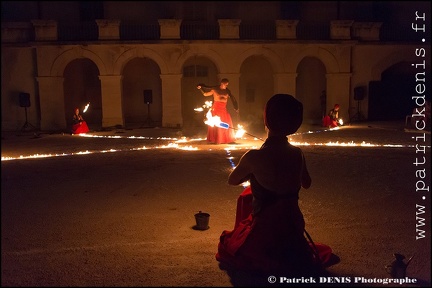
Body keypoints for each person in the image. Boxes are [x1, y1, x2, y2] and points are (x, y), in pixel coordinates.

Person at [216, 94, 332, 276]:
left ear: (267, 120)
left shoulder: (253, 156)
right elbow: (307, 183)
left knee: (228, 244)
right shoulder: (297, 153)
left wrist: (253, 169)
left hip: (266, 231)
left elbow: (232, 180)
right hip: (293, 224)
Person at [197, 78, 238, 144]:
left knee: (225, 123)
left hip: (223, 109)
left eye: (227, 85)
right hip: (216, 109)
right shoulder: (215, 89)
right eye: (225, 85)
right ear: (222, 84)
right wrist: (200, 88)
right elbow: (205, 94)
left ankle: (225, 139)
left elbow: (233, 98)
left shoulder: (227, 91)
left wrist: (236, 107)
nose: (226, 86)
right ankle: (216, 139)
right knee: (217, 124)